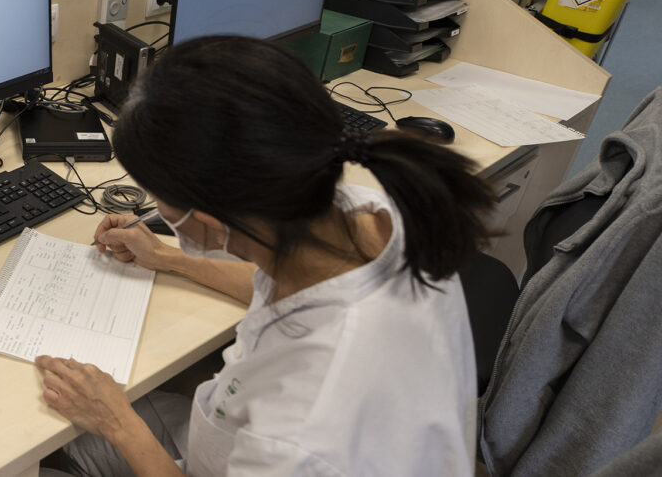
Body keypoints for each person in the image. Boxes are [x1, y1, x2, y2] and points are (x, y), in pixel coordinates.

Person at [35, 36, 494, 475]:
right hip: (238, 438)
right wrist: (171, 258)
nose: (154, 205)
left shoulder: (298, 432)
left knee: (38, 451)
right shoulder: (366, 215)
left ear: (212, 221)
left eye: (154, 194)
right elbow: (284, 288)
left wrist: (118, 423)